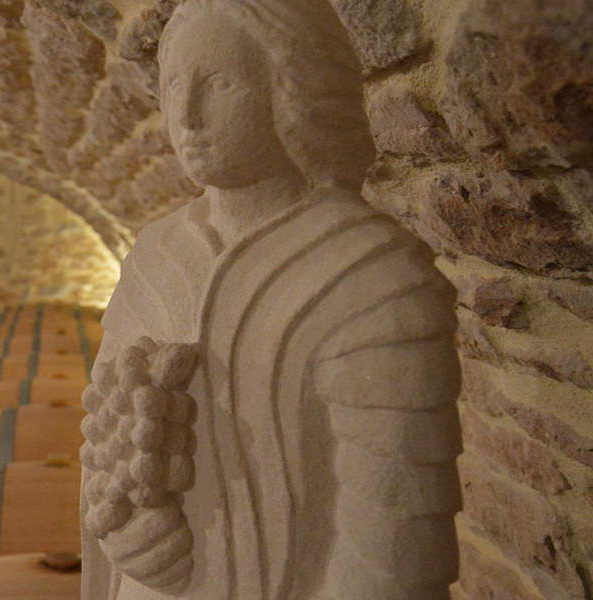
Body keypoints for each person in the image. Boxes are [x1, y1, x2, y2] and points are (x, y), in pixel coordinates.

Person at [79, 1, 463, 598]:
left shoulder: (373, 277)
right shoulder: (154, 257)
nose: (187, 115)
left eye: (220, 84)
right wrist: (126, 534)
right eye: (175, 84)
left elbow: (389, 540)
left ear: (291, 90)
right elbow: (107, 446)